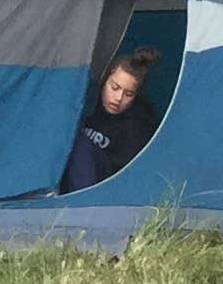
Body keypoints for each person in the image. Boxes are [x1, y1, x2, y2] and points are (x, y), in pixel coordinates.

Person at [61, 48, 162, 192]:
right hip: (66, 177)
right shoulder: (85, 101)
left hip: (104, 189)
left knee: (81, 144)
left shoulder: (137, 127)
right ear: (105, 79)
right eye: (115, 87)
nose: (119, 98)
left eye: (129, 94)